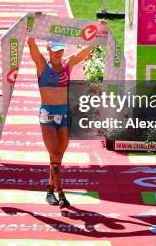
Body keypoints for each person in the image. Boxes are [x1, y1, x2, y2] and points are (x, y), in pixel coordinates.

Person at [27, 15, 105, 208]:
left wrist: (100, 30)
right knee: (54, 155)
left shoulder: (68, 64)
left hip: (65, 116)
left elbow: (87, 50)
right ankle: (61, 194)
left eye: (61, 49)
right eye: (55, 50)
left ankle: (49, 190)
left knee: (58, 157)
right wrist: (34, 23)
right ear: (48, 49)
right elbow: (30, 42)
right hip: (47, 116)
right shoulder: (41, 65)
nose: (59, 53)